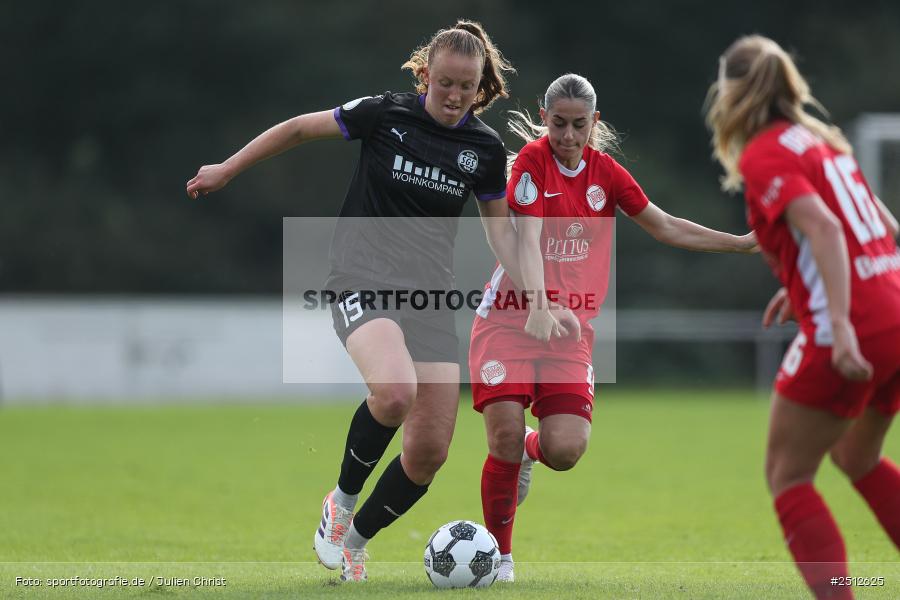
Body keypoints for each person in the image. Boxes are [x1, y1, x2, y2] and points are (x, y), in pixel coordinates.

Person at [186, 20, 521, 583]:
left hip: (431, 298)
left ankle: (355, 543)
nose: (455, 95)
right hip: (361, 277)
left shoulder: (485, 149)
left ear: (481, 85)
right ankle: (339, 504)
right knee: (393, 393)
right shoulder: (384, 113)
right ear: (424, 76)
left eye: (467, 86)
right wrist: (227, 168)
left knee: (429, 454)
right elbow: (296, 130)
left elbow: (500, 233)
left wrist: (533, 295)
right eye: (445, 83)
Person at [469, 73, 758, 582]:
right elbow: (528, 237)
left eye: (579, 125)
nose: (568, 136)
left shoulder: (607, 174)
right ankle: (500, 557)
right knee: (504, 436)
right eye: (558, 124)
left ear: (594, 123)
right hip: (511, 321)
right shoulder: (534, 162)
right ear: (544, 118)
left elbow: (664, 225)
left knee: (566, 450)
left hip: (568, 333)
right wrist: (538, 305)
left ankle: (533, 452)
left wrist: (738, 243)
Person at [705, 35, 900, 599]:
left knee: (788, 476)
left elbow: (825, 227)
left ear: (731, 91)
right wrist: (802, 285)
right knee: (856, 456)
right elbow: (878, 226)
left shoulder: (767, 151)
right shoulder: (823, 142)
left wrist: (838, 324)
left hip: (857, 323)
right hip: (891, 308)